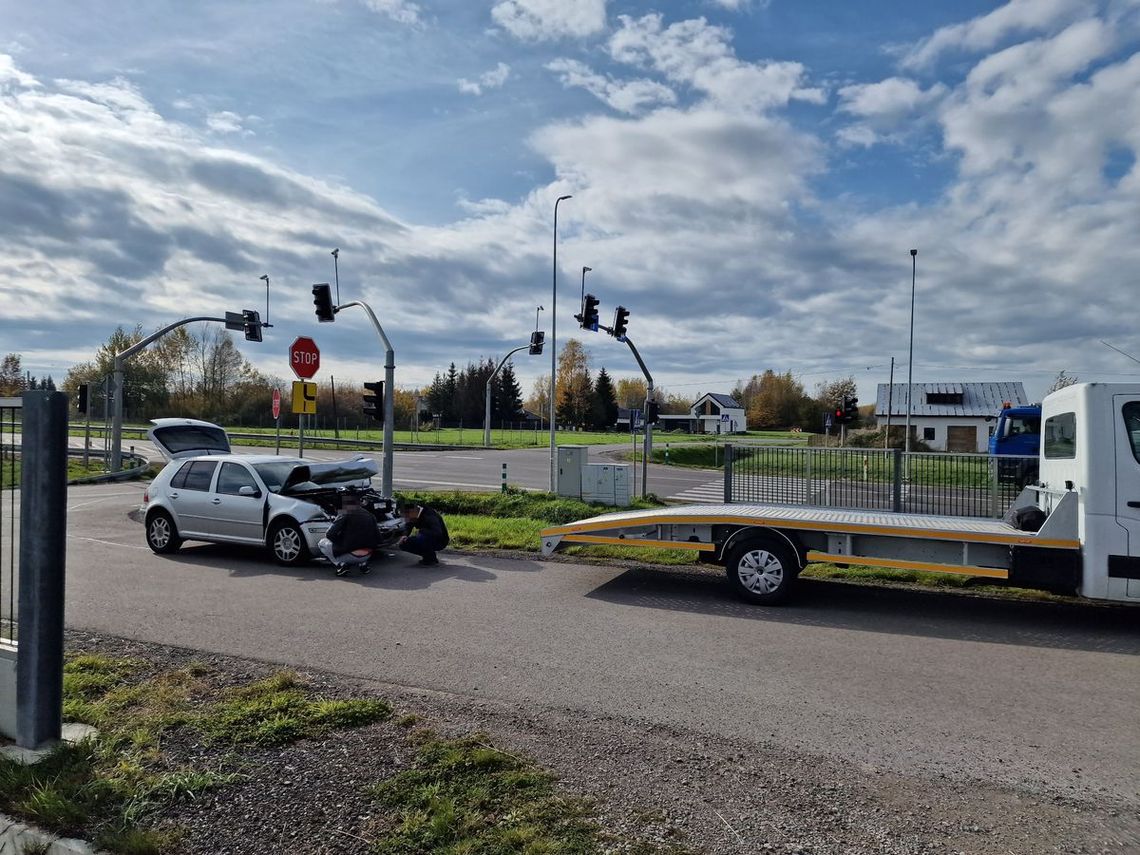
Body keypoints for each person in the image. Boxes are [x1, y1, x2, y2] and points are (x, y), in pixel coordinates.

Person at [317, 493, 379, 576]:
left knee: (322, 543)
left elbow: (330, 534)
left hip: (350, 554)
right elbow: (378, 538)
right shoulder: (371, 515)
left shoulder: (344, 513)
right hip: (368, 554)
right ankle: (363, 564)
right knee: (361, 543)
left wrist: (339, 540)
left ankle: (341, 565)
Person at [398, 502, 449, 566]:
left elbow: (437, 532)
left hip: (440, 540)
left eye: (408, 516)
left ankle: (431, 558)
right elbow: (408, 525)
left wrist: (421, 531)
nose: (407, 518)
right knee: (403, 543)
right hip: (426, 537)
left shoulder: (429, 515)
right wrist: (404, 535)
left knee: (420, 538)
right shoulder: (413, 514)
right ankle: (429, 557)